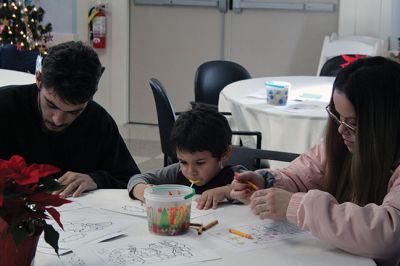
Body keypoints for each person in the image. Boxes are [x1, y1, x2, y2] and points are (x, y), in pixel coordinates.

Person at [231, 56, 400, 266]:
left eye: (352, 123)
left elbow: (387, 234)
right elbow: (301, 175)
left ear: (386, 123)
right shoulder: (341, 144)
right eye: (337, 117)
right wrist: (266, 182)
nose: (340, 129)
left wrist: (297, 206)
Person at [0, 41, 140, 198]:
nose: (58, 120)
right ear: (39, 79)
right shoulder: (5, 106)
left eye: (74, 112)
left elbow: (132, 181)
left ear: (91, 96)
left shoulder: (98, 120)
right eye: (51, 105)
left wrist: (95, 179)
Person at [128, 105, 246, 209]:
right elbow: (136, 179)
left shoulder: (236, 176)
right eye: (183, 162)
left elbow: (256, 191)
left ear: (225, 153)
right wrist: (142, 191)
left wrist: (226, 192)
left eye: (200, 163)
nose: (190, 172)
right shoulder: (176, 173)